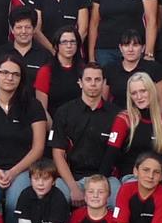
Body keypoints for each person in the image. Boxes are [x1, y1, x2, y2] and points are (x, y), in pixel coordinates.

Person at [0, 54, 49, 223]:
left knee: (16, 202)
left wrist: (13, 172)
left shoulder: (33, 106)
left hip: (22, 169)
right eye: (5, 72)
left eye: (15, 74)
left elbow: (38, 148)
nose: (10, 78)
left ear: (21, 79)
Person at [50, 63, 116, 200]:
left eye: (97, 80)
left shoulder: (116, 115)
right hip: (71, 178)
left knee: (116, 198)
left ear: (104, 83)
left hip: (106, 178)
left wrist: (99, 185)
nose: (93, 84)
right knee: (57, 197)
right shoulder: (64, 112)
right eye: (88, 79)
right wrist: (73, 188)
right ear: (80, 83)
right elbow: (58, 154)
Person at [105, 71, 162, 178]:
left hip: (157, 177)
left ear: (151, 91)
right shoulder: (124, 119)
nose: (139, 97)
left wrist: (159, 183)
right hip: (131, 176)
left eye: (143, 91)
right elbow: (110, 155)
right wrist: (101, 180)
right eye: (134, 93)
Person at [102, 30, 162, 106]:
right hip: (118, 112)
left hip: (146, 113)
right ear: (120, 48)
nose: (130, 49)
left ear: (143, 48)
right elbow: (103, 100)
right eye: (126, 45)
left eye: (135, 45)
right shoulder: (110, 68)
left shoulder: (154, 68)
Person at [34, 26, 85, 116]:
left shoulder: (84, 70)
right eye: (64, 42)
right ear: (56, 46)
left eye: (72, 42)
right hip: (53, 121)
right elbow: (42, 110)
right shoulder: (46, 71)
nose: (69, 46)